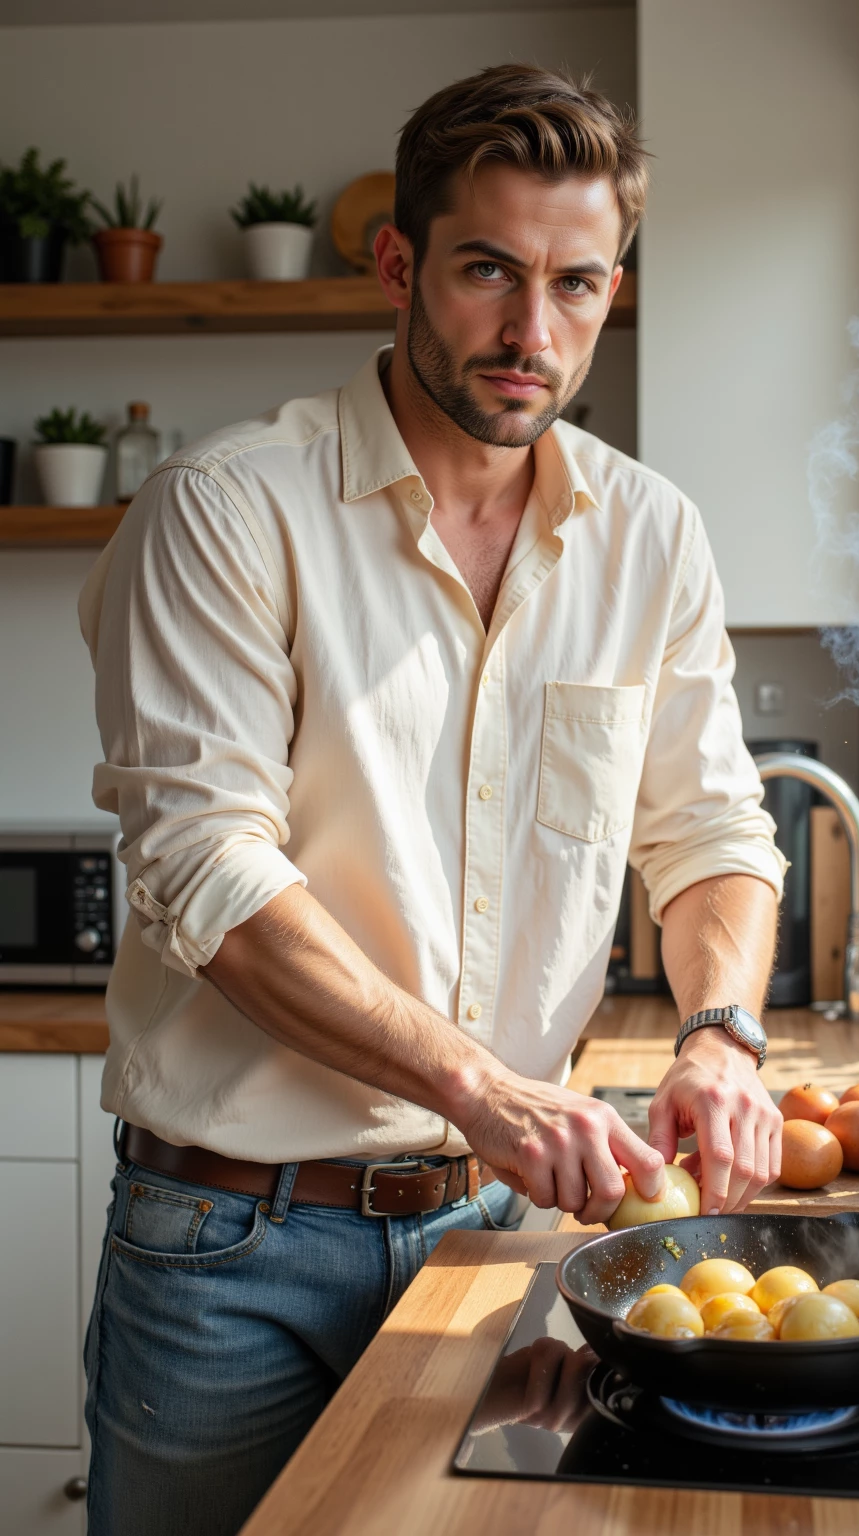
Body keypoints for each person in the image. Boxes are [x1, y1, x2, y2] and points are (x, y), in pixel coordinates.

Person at [78, 62, 785, 1536]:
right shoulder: (227, 511)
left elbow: (711, 833)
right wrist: (487, 1084)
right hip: (233, 1250)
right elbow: (211, 875)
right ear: (398, 264)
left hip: (505, 1240)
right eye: (489, 272)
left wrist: (720, 1032)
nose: (536, 333)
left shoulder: (651, 537)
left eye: (579, 286)